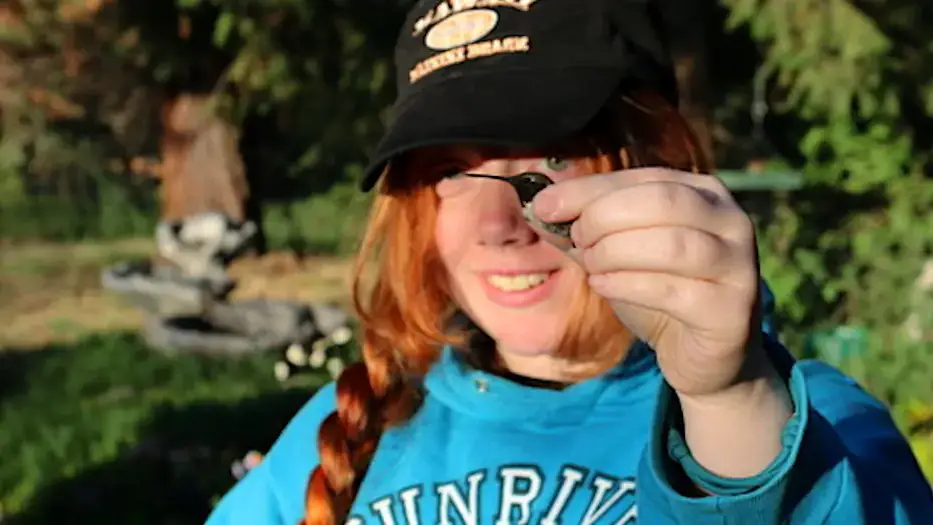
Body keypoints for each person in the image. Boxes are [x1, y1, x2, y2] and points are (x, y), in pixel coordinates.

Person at [205, 0, 933, 524]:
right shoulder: (352, 427)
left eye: (551, 158)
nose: (497, 226)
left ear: (661, 161)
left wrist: (727, 401)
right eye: (451, 171)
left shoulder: (812, 426)